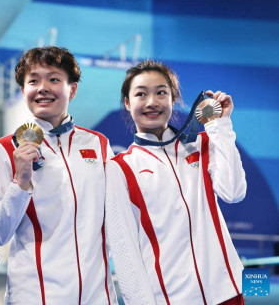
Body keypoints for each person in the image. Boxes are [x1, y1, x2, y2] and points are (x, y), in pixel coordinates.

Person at [105, 60, 246, 304]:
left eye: (161, 92)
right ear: (127, 103)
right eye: (141, 94)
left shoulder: (202, 144)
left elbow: (233, 193)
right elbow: (124, 249)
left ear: (173, 99)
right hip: (171, 299)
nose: (152, 102)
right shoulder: (120, 168)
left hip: (227, 293)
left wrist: (221, 124)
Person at [0, 46, 117, 304]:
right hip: (35, 296)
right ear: (23, 91)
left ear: (73, 89)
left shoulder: (99, 144)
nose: (43, 87)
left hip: (97, 296)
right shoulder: (2, 149)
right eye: (33, 80)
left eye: (54, 79)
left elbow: (116, 217)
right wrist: (20, 182)